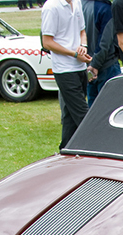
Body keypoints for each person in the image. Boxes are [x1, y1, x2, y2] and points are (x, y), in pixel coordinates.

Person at [41, 0, 93, 151]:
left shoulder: (77, 3)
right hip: (64, 70)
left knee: (70, 116)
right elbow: (47, 42)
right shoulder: (51, 7)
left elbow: (82, 31)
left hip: (80, 67)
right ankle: (100, 148)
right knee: (83, 114)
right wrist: (73, 54)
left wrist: (83, 46)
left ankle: (65, 150)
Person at [83, 0, 121, 104]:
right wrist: (95, 64)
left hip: (88, 64)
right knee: (111, 106)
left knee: (93, 108)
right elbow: (104, 41)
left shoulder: (82, 5)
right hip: (106, 65)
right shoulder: (105, 8)